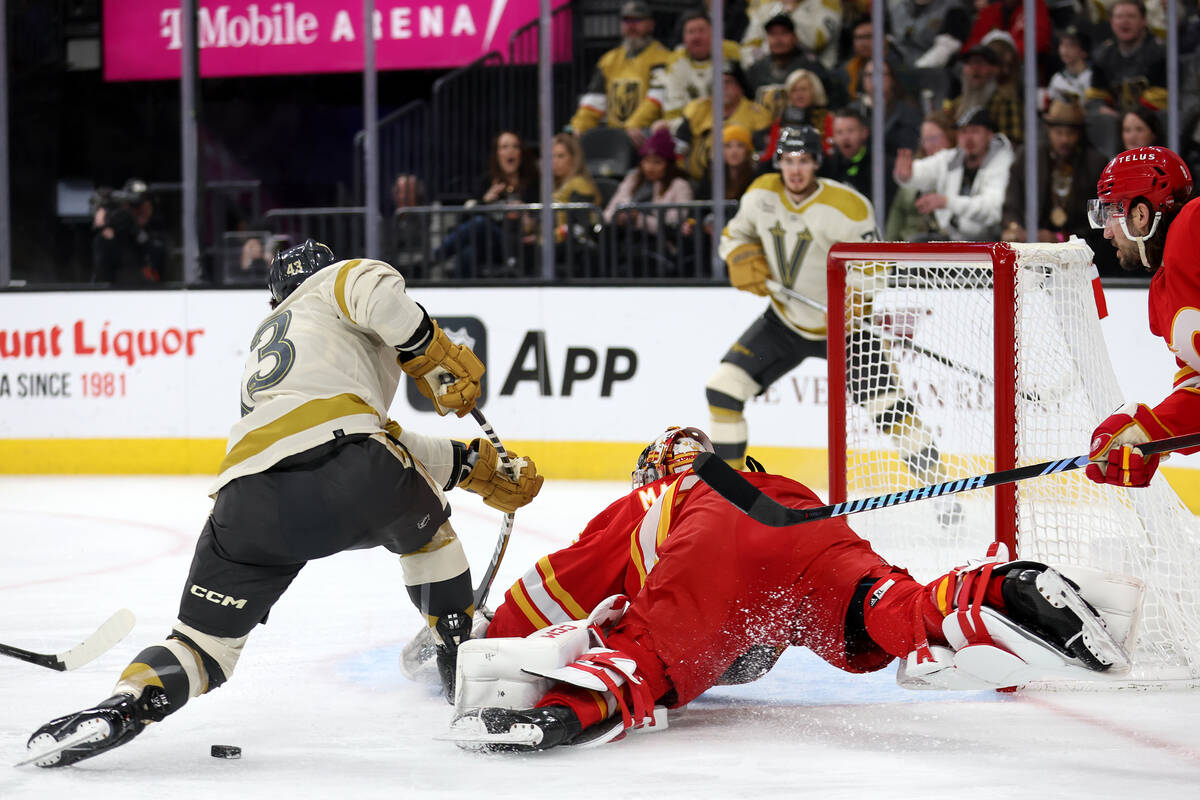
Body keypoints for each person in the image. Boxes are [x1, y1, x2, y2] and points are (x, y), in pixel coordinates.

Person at [23, 240, 544, 768]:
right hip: (355, 469)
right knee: (427, 532)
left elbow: (345, 431)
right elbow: (372, 298)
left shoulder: (273, 338)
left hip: (245, 500)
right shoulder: (340, 281)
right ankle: (456, 652)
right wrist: (430, 350)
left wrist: (468, 464)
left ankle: (125, 705)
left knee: (202, 646)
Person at [446, 426, 1127, 751]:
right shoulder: (772, 481)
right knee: (888, 610)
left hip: (723, 546)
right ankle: (994, 591)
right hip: (809, 526)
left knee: (647, 654)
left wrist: (495, 628)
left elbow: (570, 575)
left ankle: (569, 713)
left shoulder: (669, 492)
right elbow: (744, 639)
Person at [707, 125, 947, 496]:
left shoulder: (847, 207)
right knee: (723, 389)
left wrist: (855, 303)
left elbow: (876, 270)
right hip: (785, 321)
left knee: (892, 412)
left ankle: (944, 495)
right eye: (788, 161)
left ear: (817, 162)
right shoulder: (760, 194)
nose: (796, 170)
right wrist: (739, 255)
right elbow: (734, 236)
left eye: (804, 161)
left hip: (845, 330)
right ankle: (727, 497)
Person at [1085, 146, 1198, 488]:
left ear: (1139, 215)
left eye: (1110, 212)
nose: (1106, 232)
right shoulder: (1162, 296)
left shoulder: (1192, 225)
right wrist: (1148, 428)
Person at [893, 105, 1014, 242]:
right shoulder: (954, 157)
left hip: (992, 242)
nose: (968, 138)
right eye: (963, 132)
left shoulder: (1001, 162)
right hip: (955, 239)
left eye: (974, 131)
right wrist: (907, 175)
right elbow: (925, 170)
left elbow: (992, 210)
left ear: (989, 134)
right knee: (915, 245)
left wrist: (947, 202)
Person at [624, 11, 742, 146]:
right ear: (684, 38)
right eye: (691, 32)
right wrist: (634, 122)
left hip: (727, 126)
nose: (696, 37)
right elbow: (656, 98)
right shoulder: (674, 61)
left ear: (713, 34)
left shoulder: (731, 55)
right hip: (684, 128)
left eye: (701, 31)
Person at [1001, 101, 1109, 246]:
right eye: (1059, 133)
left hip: (1080, 247)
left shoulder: (1096, 163)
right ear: (1048, 131)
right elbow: (1012, 203)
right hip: (1031, 243)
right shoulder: (1028, 157)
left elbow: (1099, 222)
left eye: (1070, 134)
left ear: (1080, 134)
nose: (1064, 139)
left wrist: (1060, 238)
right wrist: (1015, 228)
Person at [433, 131, 539, 278]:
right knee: (468, 251)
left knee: (479, 225)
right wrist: (485, 201)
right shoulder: (487, 181)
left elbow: (540, 221)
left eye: (515, 147)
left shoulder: (533, 183)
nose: (510, 151)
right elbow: (464, 219)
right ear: (497, 154)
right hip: (491, 244)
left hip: (519, 244)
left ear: (521, 153)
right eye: (504, 147)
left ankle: (434, 257)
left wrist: (525, 215)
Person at [568, 1, 672, 136]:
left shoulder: (663, 58)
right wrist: (578, 127)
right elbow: (594, 101)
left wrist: (634, 124)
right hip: (615, 135)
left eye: (637, 20)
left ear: (651, 25)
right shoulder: (608, 60)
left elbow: (656, 99)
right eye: (626, 20)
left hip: (646, 133)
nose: (631, 26)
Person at [604, 128, 695, 275]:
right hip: (625, 243)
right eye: (646, 161)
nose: (650, 167)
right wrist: (618, 217)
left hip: (661, 247)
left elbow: (673, 223)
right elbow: (608, 213)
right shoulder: (632, 180)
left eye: (657, 162)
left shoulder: (679, 185)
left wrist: (638, 219)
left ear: (668, 163)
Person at [674, 61, 774, 182]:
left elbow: (761, 156)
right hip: (697, 181)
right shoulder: (697, 108)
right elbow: (679, 146)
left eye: (728, 82)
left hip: (743, 181)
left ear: (740, 87)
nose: (723, 87)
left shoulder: (758, 114)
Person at [744, 13, 841, 120]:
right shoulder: (757, 69)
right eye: (772, 34)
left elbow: (829, 100)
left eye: (783, 33)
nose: (778, 39)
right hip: (764, 124)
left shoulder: (811, 66)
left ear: (795, 37)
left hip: (806, 121)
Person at [885, 109, 957, 241]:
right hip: (907, 244)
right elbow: (897, 212)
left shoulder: (959, 168)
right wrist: (887, 247)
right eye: (925, 140)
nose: (928, 145)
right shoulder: (914, 168)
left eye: (934, 138)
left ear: (950, 135)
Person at [1086, 0, 1167, 116]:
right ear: (1112, 22)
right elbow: (1097, 95)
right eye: (1119, 17)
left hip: (1151, 122)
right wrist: (1102, 107)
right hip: (1116, 120)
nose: (1124, 21)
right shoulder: (1103, 54)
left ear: (1143, 21)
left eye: (1131, 16)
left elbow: (1161, 97)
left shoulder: (1158, 52)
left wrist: (1131, 117)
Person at [91, 178, 167, 284]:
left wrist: (137, 232)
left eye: (144, 203)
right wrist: (105, 230)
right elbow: (103, 275)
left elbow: (158, 273)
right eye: (134, 205)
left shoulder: (158, 238)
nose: (141, 209)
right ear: (124, 206)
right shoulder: (111, 236)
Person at [945, 43, 1022, 145]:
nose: (975, 69)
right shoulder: (955, 105)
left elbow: (1011, 143)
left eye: (981, 63)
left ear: (995, 69)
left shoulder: (1005, 102)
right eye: (969, 63)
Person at [755, 68, 833, 168]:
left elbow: (830, 154)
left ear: (814, 91)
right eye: (794, 90)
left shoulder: (827, 119)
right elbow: (770, 156)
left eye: (803, 89)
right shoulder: (781, 121)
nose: (799, 94)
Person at [1047, 24, 1093, 107]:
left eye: (1071, 45)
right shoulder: (1057, 78)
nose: (1065, 49)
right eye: (1062, 44)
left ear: (1084, 51)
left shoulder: (1093, 77)